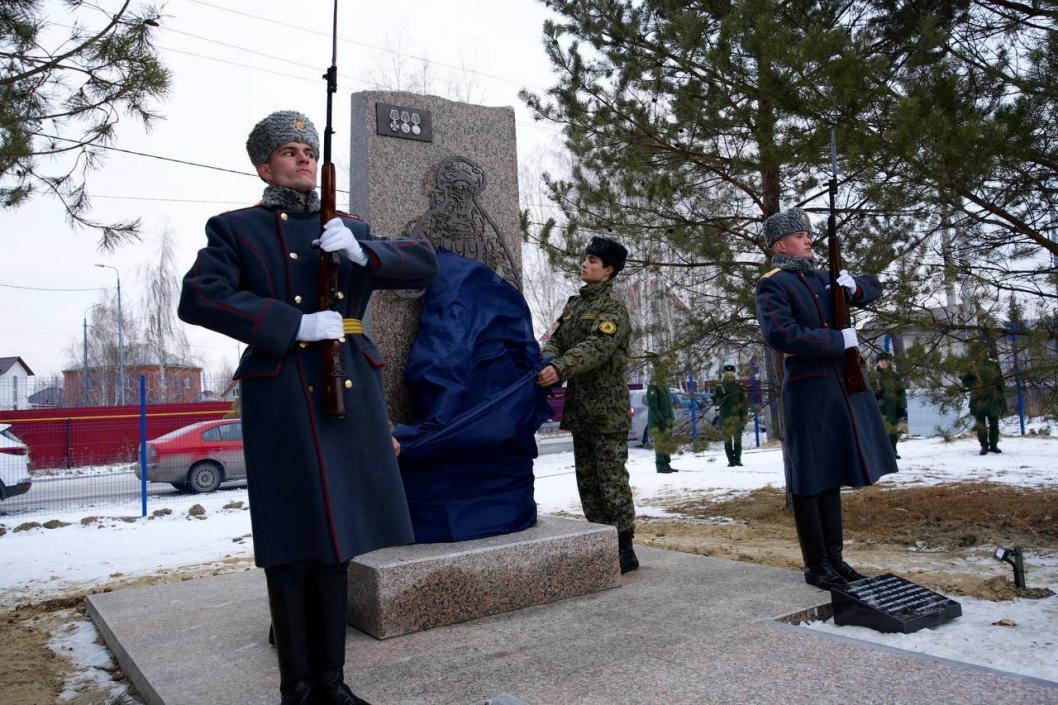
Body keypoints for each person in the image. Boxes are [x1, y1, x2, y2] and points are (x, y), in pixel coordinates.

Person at [178, 110, 437, 705]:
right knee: (292, 537)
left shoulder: (349, 227)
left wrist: (365, 253)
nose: (300, 157)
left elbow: (424, 261)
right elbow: (199, 297)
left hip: (346, 388)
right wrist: (294, 323)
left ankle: (332, 683)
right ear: (264, 165)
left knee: (338, 537)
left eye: (307, 149)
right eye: (287, 151)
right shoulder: (236, 229)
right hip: (283, 391)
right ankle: (297, 687)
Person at [754, 207, 898, 590]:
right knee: (809, 477)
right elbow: (781, 335)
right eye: (801, 235)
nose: (808, 240)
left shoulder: (823, 278)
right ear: (780, 243)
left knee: (830, 473)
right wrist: (837, 340)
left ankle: (836, 559)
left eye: (808, 234)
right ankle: (817, 565)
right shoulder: (774, 284)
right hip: (808, 387)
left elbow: (875, 286)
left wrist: (855, 287)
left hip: (838, 386)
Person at [536, 236, 638, 573]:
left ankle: (625, 547)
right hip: (581, 410)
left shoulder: (613, 309)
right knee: (588, 482)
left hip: (607, 411)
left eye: (593, 261)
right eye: (586, 259)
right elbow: (557, 340)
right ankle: (600, 539)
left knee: (611, 481)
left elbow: (597, 348)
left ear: (608, 271)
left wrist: (560, 368)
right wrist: (548, 360)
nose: (585, 264)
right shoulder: (574, 306)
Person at [961, 347, 1006, 455]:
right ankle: (984, 445)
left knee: (994, 424)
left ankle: (994, 445)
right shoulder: (972, 366)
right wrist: (975, 385)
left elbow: (1000, 381)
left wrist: (1001, 396)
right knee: (980, 424)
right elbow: (965, 380)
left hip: (992, 398)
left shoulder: (993, 364)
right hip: (978, 399)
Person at [873, 352, 908, 458]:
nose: (883, 362)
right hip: (879, 408)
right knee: (880, 431)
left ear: (889, 362)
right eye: (881, 360)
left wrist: (902, 407)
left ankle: (893, 451)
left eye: (885, 360)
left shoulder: (895, 376)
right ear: (878, 362)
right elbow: (868, 391)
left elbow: (901, 392)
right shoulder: (873, 376)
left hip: (893, 408)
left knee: (893, 431)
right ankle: (880, 453)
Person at [646, 358, 677, 474]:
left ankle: (666, 464)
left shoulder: (664, 386)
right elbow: (653, 406)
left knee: (667, 442)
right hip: (658, 421)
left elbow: (668, 404)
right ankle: (660, 466)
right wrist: (661, 419)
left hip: (667, 419)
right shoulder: (653, 386)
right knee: (660, 443)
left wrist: (671, 417)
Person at [714, 364, 748, 467]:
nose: (729, 374)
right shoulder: (719, 387)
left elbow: (743, 403)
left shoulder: (739, 386)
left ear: (734, 373)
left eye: (731, 372)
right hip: (725, 418)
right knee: (727, 441)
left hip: (737, 418)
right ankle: (730, 461)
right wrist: (722, 398)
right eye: (727, 372)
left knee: (738, 441)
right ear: (724, 373)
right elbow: (715, 401)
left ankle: (737, 460)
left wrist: (744, 417)